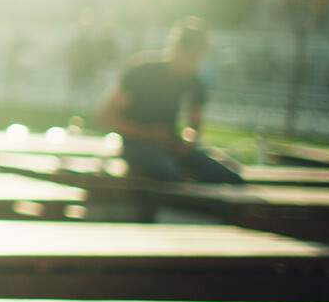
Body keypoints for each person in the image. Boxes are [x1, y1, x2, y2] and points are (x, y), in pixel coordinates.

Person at [97, 17, 243, 184]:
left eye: (197, 57)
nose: (193, 63)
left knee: (231, 178)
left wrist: (188, 142)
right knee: (171, 176)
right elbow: (106, 117)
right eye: (189, 56)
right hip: (135, 143)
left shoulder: (195, 82)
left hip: (169, 145)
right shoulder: (142, 71)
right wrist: (148, 134)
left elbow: (195, 125)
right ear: (176, 49)